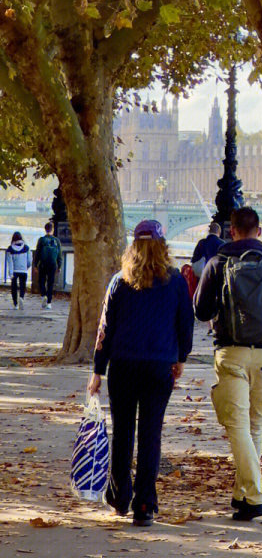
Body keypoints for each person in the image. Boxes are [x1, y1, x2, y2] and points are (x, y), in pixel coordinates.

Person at [194, 207, 262, 521]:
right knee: (255, 425)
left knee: (237, 426)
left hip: (232, 353)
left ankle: (254, 496)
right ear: (260, 232)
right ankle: (242, 495)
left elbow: (200, 311)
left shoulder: (218, 263)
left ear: (233, 232)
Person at [88, 219, 194, 528]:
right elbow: (185, 325)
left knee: (123, 432)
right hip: (159, 365)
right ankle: (145, 504)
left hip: (123, 365)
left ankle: (121, 496)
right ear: (163, 246)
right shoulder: (175, 282)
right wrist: (180, 358)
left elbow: (105, 329)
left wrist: (98, 369)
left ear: (133, 247)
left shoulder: (119, 282)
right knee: (151, 434)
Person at [33, 222, 62, 311]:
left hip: (43, 263)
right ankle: (49, 303)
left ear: (45, 229)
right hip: (52, 264)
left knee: (41, 281)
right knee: (50, 282)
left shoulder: (41, 240)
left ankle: (43, 295)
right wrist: (59, 265)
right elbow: (59, 254)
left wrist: (35, 265)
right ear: (52, 230)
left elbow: (37, 253)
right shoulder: (57, 241)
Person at [4, 231, 32, 311]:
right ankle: (21, 298)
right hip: (23, 271)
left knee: (14, 288)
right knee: (22, 286)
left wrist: (11, 273)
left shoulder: (10, 249)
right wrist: (27, 267)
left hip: (14, 271)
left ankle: (15, 304)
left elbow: (10, 263)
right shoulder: (26, 248)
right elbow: (30, 260)